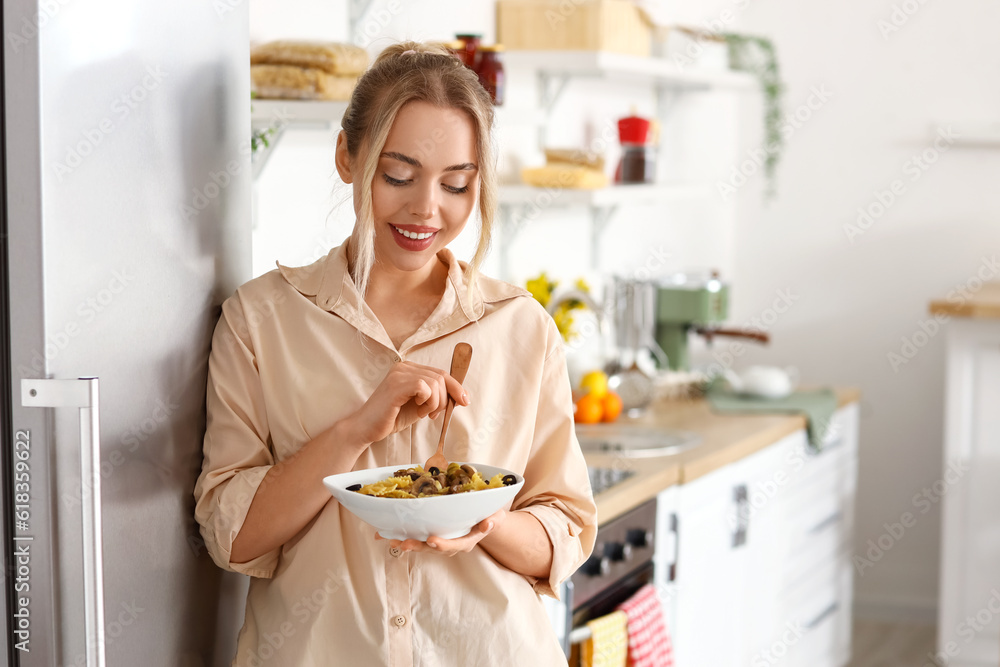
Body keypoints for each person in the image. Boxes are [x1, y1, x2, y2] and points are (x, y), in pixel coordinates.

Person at [194, 41, 597, 666]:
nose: (426, 209)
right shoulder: (261, 320)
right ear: (347, 157)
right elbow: (233, 534)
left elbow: (564, 532)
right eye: (399, 175)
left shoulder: (522, 328)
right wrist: (355, 430)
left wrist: (483, 523)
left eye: (457, 184)